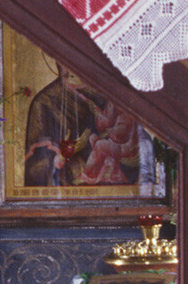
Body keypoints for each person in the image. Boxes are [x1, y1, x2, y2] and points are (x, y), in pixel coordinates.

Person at [22, 60, 141, 189]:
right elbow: (35, 171)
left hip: (114, 185)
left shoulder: (113, 94)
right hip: (69, 190)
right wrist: (63, 155)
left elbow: (136, 150)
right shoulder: (45, 102)